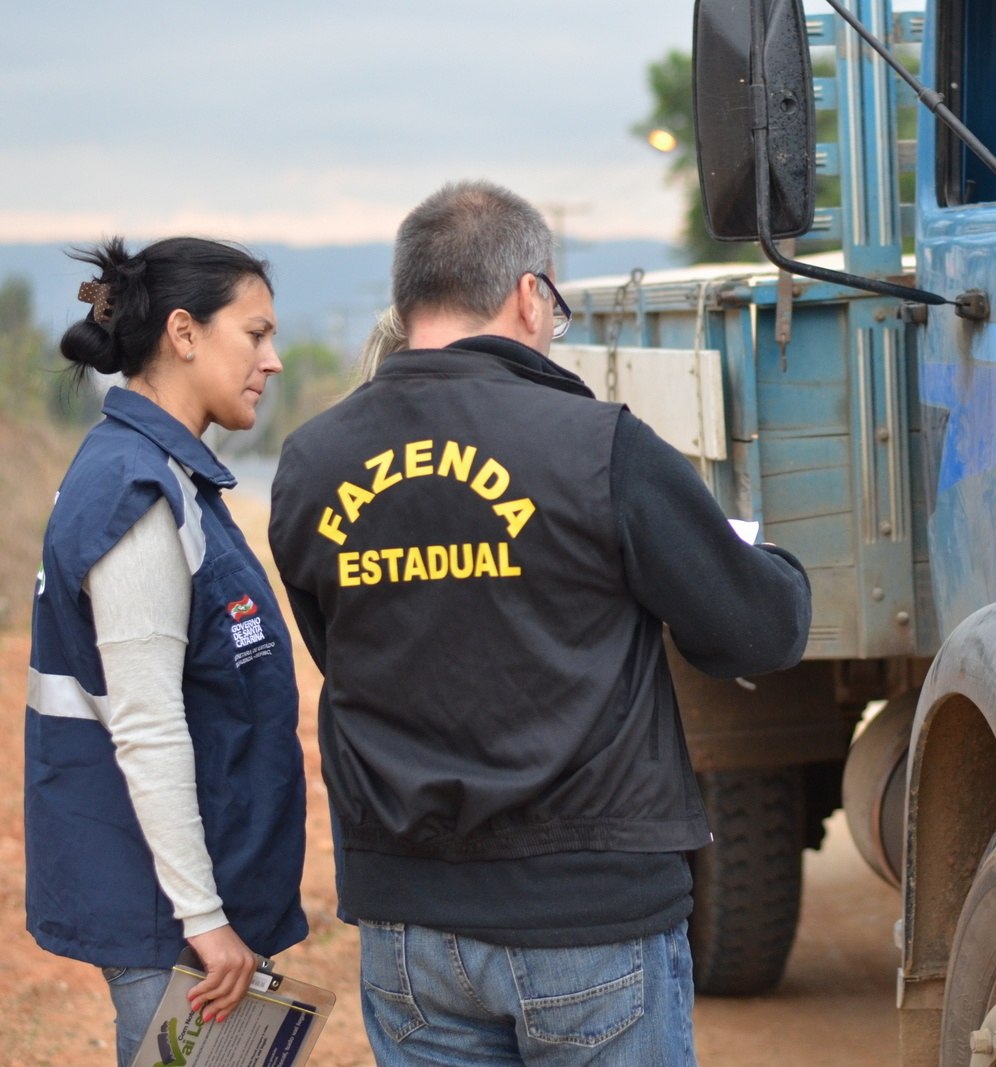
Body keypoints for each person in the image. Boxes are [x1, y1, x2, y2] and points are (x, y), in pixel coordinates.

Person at [268, 180, 812, 1066]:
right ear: (529, 295)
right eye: (554, 304)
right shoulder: (597, 446)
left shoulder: (313, 463)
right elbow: (752, 631)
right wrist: (776, 569)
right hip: (587, 912)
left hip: (410, 925)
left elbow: (339, 648)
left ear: (410, 302)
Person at [25, 237, 307, 1067]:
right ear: (184, 333)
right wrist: (204, 918)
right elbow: (146, 724)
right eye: (255, 335)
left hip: (184, 903)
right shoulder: (137, 494)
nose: (274, 360)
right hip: (169, 921)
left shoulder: (163, 473)